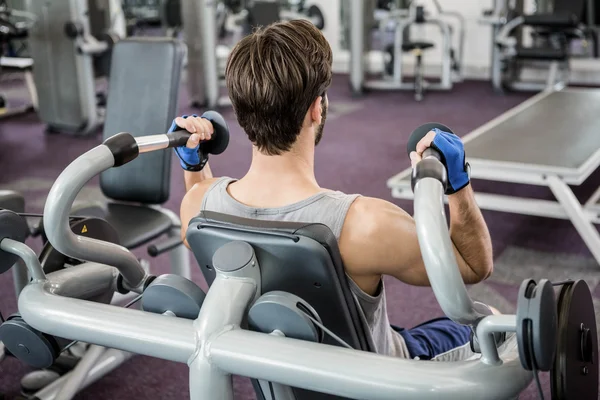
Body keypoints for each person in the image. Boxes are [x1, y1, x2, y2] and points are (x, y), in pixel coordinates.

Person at [173, 19, 494, 361]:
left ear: (239, 111)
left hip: (283, 376)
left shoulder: (197, 208)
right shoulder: (365, 223)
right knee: (493, 325)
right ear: (317, 107)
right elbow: (474, 266)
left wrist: (194, 166)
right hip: (383, 377)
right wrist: (457, 182)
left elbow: (202, 217)